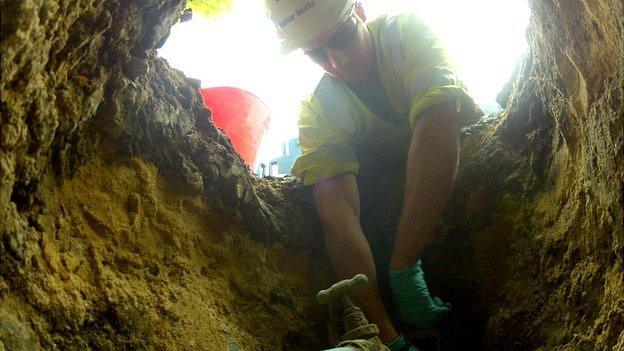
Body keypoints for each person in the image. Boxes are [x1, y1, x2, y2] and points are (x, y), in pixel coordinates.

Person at [264, 1, 483, 350]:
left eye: (342, 37)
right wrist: (385, 334)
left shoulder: (405, 34)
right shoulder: (319, 109)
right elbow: (339, 218)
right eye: (316, 54)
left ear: (360, 11)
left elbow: (440, 119)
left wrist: (404, 266)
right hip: (382, 216)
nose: (336, 61)